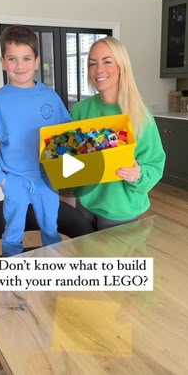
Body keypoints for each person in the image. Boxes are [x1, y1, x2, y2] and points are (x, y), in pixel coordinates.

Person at [0, 25, 71, 256]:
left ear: (37, 61)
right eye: (12, 58)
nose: (20, 66)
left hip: (48, 180)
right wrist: (1, 180)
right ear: (3, 61)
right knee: (12, 234)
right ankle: (14, 284)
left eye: (26, 58)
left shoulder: (50, 96)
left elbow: (68, 136)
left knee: (50, 229)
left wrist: (66, 170)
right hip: (14, 180)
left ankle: (52, 276)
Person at [71, 36, 165, 230]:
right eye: (93, 64)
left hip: (120, 209)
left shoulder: (140, 115)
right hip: (84, 205)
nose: (99, 70)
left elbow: (155, 165)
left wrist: (138, 173)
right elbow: (73, 155)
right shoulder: (80, 110)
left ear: (122, 66)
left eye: (107, 62)